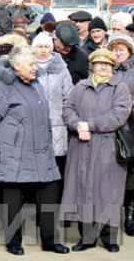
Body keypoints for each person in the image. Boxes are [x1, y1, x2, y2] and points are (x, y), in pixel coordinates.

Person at [0, 45, 69, 255]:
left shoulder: (36, 84)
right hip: (14, 155)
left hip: (41, 153)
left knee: (49, 198)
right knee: (12, 203)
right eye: (30, 64)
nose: (35, 67)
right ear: (16, 65)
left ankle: (50, 241)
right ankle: (13, 242)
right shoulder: (2, 87)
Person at [61, 49, 131, 253]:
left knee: (109, 192)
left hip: (108, 146)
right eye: (99, 63)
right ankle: (87, 237)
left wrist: (89, 125)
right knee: (82, 190)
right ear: (92, 66)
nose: (103, 67)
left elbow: (120, 114)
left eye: (107, 64)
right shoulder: (80, 87)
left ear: (113, 67)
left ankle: (109, 238)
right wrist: (77, 125)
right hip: (81, 146)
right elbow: (67, 108)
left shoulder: (120, 87)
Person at [33, 32, 73, 202]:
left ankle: (57, 206)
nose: (43, 50)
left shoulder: (61, 69)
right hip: (34, 126)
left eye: (47, 46)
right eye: (40, 46)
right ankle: (39, 207)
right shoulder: (29, 67)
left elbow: (69, 96)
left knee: (57, 168)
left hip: (57, 125)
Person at [107, 33, 134, 237]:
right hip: (110, 129)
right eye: (114, 49)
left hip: (131, 128)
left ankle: (131, 216)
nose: (117, 52)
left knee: (132, 174)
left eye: (121, 49)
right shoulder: (105, 70)